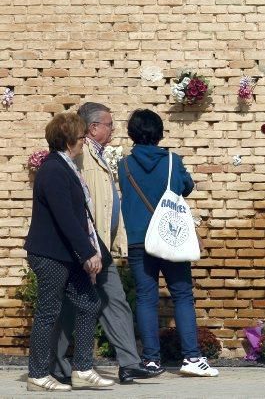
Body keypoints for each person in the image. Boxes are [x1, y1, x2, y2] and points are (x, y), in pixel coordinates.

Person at [50, 103, 164, 384]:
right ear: (93, 128)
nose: (114, 130)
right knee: (67, 306)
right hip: (84, 245)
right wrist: (83, 245)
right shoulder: (78, 155)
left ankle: (129, 363)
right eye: (110, 125)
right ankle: (56, 365)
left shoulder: (98, 155)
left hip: (102, 244)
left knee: (115, 300)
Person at [118, 109, 219, 377]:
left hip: (139, 240)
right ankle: (192, 358)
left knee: (145, 298)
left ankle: (151, 360)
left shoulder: (123, 165)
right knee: (183, 295)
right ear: (159, 132)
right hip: (171, 235)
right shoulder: (173, 161)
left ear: (132, 133)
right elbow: (186, 187)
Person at [24, 112, 114, 391]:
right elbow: (66, 217)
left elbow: (78, 214)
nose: (82, 143)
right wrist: (88, 253)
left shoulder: (66, 167)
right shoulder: (53, 170)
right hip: (50, 253)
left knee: (88, 303)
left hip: (67, 253)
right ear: (67, 141)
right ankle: (37, 375)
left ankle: (83, 370)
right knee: (49, 311)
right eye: (79, 138)